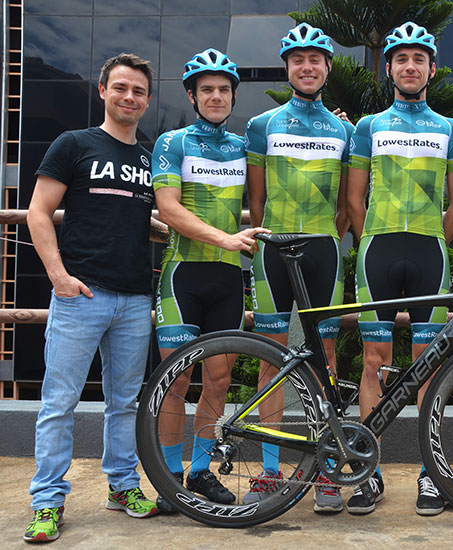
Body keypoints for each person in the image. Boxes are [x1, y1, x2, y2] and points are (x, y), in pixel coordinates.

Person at [24, 53, 159, 542]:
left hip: (133, 297)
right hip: (81, 294)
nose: (129, 97)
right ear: (103, 90)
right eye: (121, 87)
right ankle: (47, 502)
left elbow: (139, 219)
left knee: (124, 403)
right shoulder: (74, 144)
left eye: (139, 91)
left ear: (147, 100)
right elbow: (39, 213)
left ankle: (122, 487)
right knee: (59, 402)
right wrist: (57, 275)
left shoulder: (147, 158)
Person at [347, 21, 453, 516]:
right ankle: (366, 474)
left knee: (429, 366)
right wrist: (371, 236)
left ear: (431, 69)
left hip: (428, 253)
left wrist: (432, 240)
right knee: (373, 359)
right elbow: (354, 200)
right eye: (401, 59)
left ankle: (431, 474)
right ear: (390, 69)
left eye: (419, 59)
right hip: (377, 249)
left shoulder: (451, 129)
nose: (410, 66)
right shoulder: (368, 126)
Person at [243, 23, 354, 513]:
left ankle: (326, 469)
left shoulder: (346, 131)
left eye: (316, 59)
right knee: (270, 360)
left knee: (324, 359)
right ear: (287, 68)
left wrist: (330, 237)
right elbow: (257, 199)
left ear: (328, 68)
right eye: (297, 60)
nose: (307, 67)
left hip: (323, 253)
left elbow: (349, 207)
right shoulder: (261, 125)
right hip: (273, 250)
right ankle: (270, 471)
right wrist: (271, 237)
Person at [152, 48, 267, 511]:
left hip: (226, 280)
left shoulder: (243, 147)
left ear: (233, 96)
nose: (216, 96)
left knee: (218, 381)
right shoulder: (173, 142)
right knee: (176, 382)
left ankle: (199, 472)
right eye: (207, 90)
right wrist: (225, 239)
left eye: (223, 89)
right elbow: (169, 209)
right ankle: (167, 477)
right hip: (183, 275)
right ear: (192, 95)